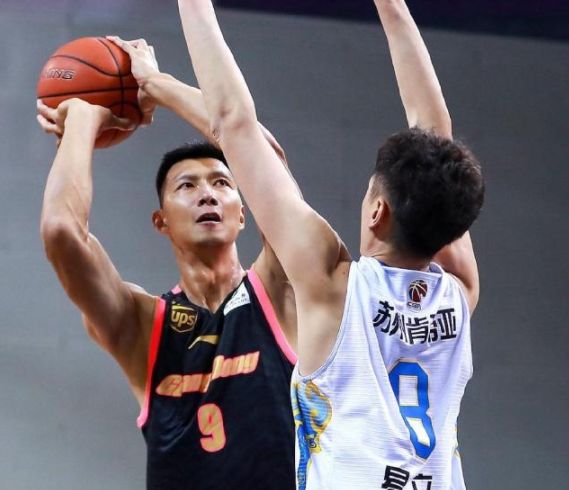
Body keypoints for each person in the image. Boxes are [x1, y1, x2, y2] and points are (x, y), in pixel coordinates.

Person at [178, 0, 485, 489]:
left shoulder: (335, 285)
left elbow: (234, 122)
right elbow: (436, 138)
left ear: (377, 211)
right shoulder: (459, 290)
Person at [37, 39, 298, 489]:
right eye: (187, 186)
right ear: (161, 222)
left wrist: (157, 85)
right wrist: (82, 117)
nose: (207, 193)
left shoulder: (280, 291)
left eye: (222, 183)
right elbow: (62, 231)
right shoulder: (142, 326)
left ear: (243, 213)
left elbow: (267, 157)